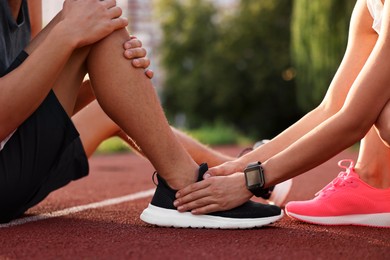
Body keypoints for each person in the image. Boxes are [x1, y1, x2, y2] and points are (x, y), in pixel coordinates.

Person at [0, 0, 285, 228]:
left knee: (96, 21)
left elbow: (36, 97)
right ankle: (185, 187)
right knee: (94, 22)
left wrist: (112, 77)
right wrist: (69, 35)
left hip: (14, 157)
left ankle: (232, 172)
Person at [174, 0, 390, 228]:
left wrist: (251, 181)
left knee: (382, 112)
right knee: (373, 94)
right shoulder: (370, 5)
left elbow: (354, 121)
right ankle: (373, 183)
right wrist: (245, 164)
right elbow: (333, 108)